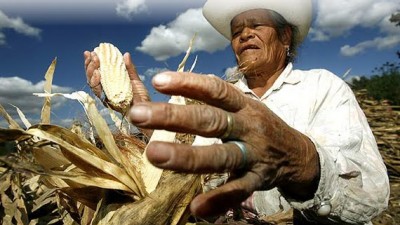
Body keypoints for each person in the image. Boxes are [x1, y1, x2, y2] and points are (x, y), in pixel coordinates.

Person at [84, 0, 390, 224]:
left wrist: (301, 160)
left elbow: (373, 196)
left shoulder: (323, 87)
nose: (244, 35)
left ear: (285, 37)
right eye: (237, 31)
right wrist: (136, 106)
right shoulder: (217, 99)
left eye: (256, 26)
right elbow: (182, 159)